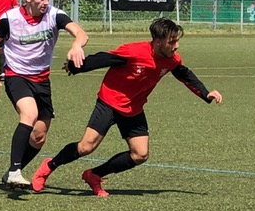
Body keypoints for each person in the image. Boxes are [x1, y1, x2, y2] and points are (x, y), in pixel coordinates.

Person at [31, 17, 223, 196]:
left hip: (134, 109)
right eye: (172, 42)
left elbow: (185, 75)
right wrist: (76, 66)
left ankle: (94, 175)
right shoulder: (134, 51)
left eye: (177, 41)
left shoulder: (172, 60)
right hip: (109, 102)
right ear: (158, 41)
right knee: (86, 147)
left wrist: (205, 93)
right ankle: (49, 166)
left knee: (140, 154)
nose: (176, 45)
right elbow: (105, 58)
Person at [0, 0, 88, 188]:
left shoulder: (55, 15)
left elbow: (80, 33)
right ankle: (15, 171)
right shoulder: (9, 19)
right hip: (17, 76)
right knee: (29, 115)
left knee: (39, 135)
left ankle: (12, 171)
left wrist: (77, 44)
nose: (45, 2)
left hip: (42, 79)